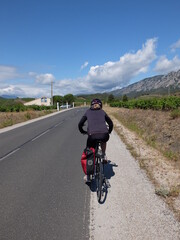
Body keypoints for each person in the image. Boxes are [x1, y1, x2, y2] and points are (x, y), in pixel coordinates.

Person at [78, 98, 113, 182]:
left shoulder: (88, 112)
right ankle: (104, 155)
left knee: (89, 152)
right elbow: (110, 123)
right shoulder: (102, 112)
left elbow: (80, 124)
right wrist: (109, 131)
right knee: (103, 140)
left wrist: (83, 131)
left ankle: (88, 175)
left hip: (92, 136)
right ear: (101, 105)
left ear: (91, 105)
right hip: (104, 135)